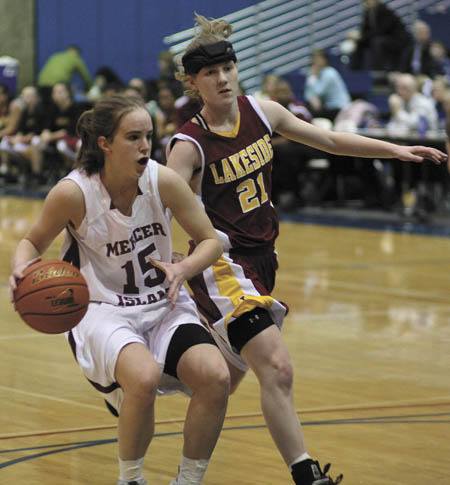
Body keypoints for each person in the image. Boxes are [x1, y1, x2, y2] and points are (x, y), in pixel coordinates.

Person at [166, 14, 447, 485]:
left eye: (228, 68)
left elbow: (331, 139)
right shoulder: (189, 145)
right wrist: (172, 255)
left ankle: (175, 454)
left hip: (264, 261)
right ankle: (306, 475)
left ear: (237, 70)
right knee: (277, 366)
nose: (222, 78)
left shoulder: (264, 112)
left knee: (217, 386)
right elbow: (162, 201)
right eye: (210, 74)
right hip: (222, 265)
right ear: (193, 83)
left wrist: (394, 150)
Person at [9, 94, 230, 485]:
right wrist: (20, 270)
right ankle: (130, 478)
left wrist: (184, 267)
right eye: (133, 137)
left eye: (149, 135)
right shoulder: (74, 193)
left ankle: (189, 480)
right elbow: (31, 242)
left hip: (161, 304)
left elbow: (210, 240)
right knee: (142, 378)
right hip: (101, 308)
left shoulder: (163, 181)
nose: (145, 145)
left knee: (215, 377)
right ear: (105, 144)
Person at [351, 0, 411, 71]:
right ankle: (355, 68)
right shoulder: (368, 13)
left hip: (396, 39)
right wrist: (358, 36)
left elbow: (381, 30)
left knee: (377, 42)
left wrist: (361, 36)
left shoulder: (384, 10)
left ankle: (379, 69)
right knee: (360, 42)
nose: (367, 2)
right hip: (381, 38)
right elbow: (365, 30)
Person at [304, 49, 351, 121]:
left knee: (309, 114)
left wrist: (312, 76)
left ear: (324, 60)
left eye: (317, 59)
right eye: (313, 59)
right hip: (329, 108)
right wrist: (312, 99)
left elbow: (318, 92)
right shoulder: (320, 74)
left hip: (339, 109)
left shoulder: (329, 72)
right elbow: (308, 96)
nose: (314, 62)